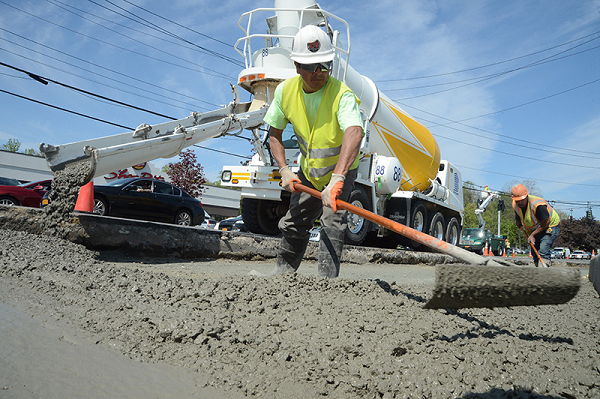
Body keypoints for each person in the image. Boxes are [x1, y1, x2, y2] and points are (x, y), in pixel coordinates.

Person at [262, 25, 364, 278]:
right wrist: (284, 170)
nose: (319, 72)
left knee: (332, 221)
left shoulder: (342, 94)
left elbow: (354, 132)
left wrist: (338, 179)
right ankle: (283, 272)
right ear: (297, 66)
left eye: (324, 65)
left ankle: (325, 282)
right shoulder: (286, 91)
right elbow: (273, 135)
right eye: (311, 67)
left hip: (340, 172)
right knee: (295, 220)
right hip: (309, 171)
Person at [511, 183, 560, 266]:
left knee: (543, 250)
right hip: (536, 227)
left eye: (522, 200)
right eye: (517, 200)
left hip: (550, 224)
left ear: (526, 196)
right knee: (535, 251)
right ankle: (537, 267)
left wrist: (533, 235)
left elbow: (545, 222)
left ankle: (545, 269)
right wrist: (518, 221)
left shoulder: (537, 205)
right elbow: (517, 215)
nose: (520, 202)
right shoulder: (515, 204)